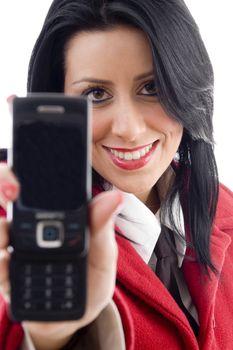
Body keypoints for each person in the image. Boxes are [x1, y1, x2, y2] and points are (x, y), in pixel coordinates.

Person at [0, 0, 233, 349]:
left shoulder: (223, 205)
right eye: (95, 94)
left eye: (152, 88)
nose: (129, 130)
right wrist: (50, 337)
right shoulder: (13, 221)